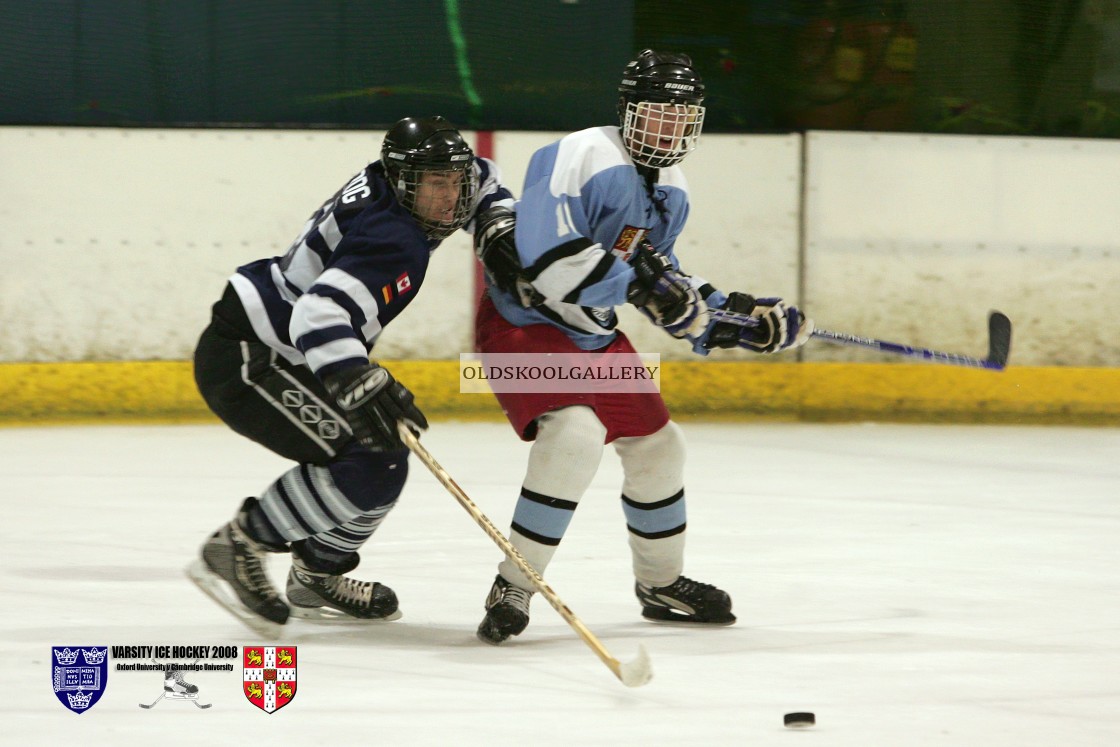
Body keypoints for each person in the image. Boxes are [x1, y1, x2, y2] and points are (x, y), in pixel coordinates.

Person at [470, 50, 813, 644]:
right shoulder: (577, 155)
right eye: (656, 115)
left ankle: (661, 583)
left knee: (660, 448)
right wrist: (644, 287)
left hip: (593, 332)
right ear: (627, 111)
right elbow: (543, 258)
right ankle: (516, 584)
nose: (669, 130)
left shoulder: (673, 189)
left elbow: (662, 276)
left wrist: (733, 317)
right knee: (575, 435)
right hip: (522, 325)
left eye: (682, 119)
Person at [188, 116, 514, 636]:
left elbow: (483, 177)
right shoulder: (395, 237)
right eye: (437, 185)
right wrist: (355, 377)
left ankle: (317, 572)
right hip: (252, 359)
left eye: (455, 183)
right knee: (367, 459)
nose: (451, 198)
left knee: (384, 456)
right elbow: (316, 315)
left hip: (288, 352)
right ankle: (241, 544)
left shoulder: (399, 182)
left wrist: (498, 224)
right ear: (407, 182)